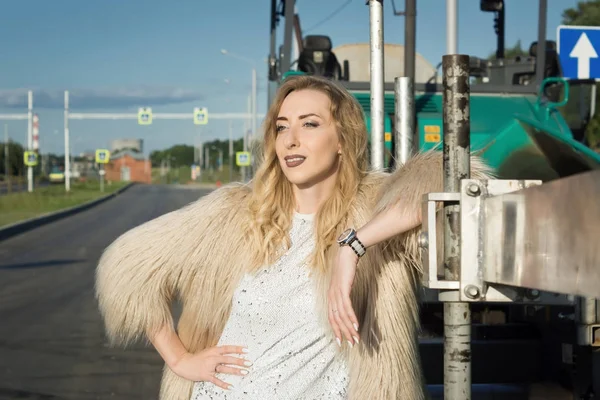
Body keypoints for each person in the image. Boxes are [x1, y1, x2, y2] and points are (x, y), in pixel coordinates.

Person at [95, 74, 492, 400]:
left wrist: (352, 246)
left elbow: (458, 181)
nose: (290, 139)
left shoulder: (375, 206)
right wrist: (180, 360)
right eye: (282, 127)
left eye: (310, 124)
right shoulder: (236, 213)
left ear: (343, 139)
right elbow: (127, 268)